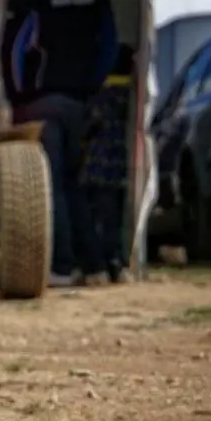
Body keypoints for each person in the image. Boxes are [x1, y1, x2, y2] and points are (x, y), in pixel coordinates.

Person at [0, 0, 118, 287]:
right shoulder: (97, 7)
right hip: (78, 102)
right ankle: (94, 264)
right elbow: (108, 49)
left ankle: (60, 266)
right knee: (72, 184)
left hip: (41, 102)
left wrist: (17, 98)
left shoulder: (31, 6)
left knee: (48, 187)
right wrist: (91, 87)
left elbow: (13, 50)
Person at [82, 44, 136, 284]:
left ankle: (99, 265)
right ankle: (117, 262)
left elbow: (88, 126)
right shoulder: (133, 98)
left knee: (96, 220)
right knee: (114, 220)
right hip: (120, 169)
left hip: (96, 168)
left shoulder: (101, 96)